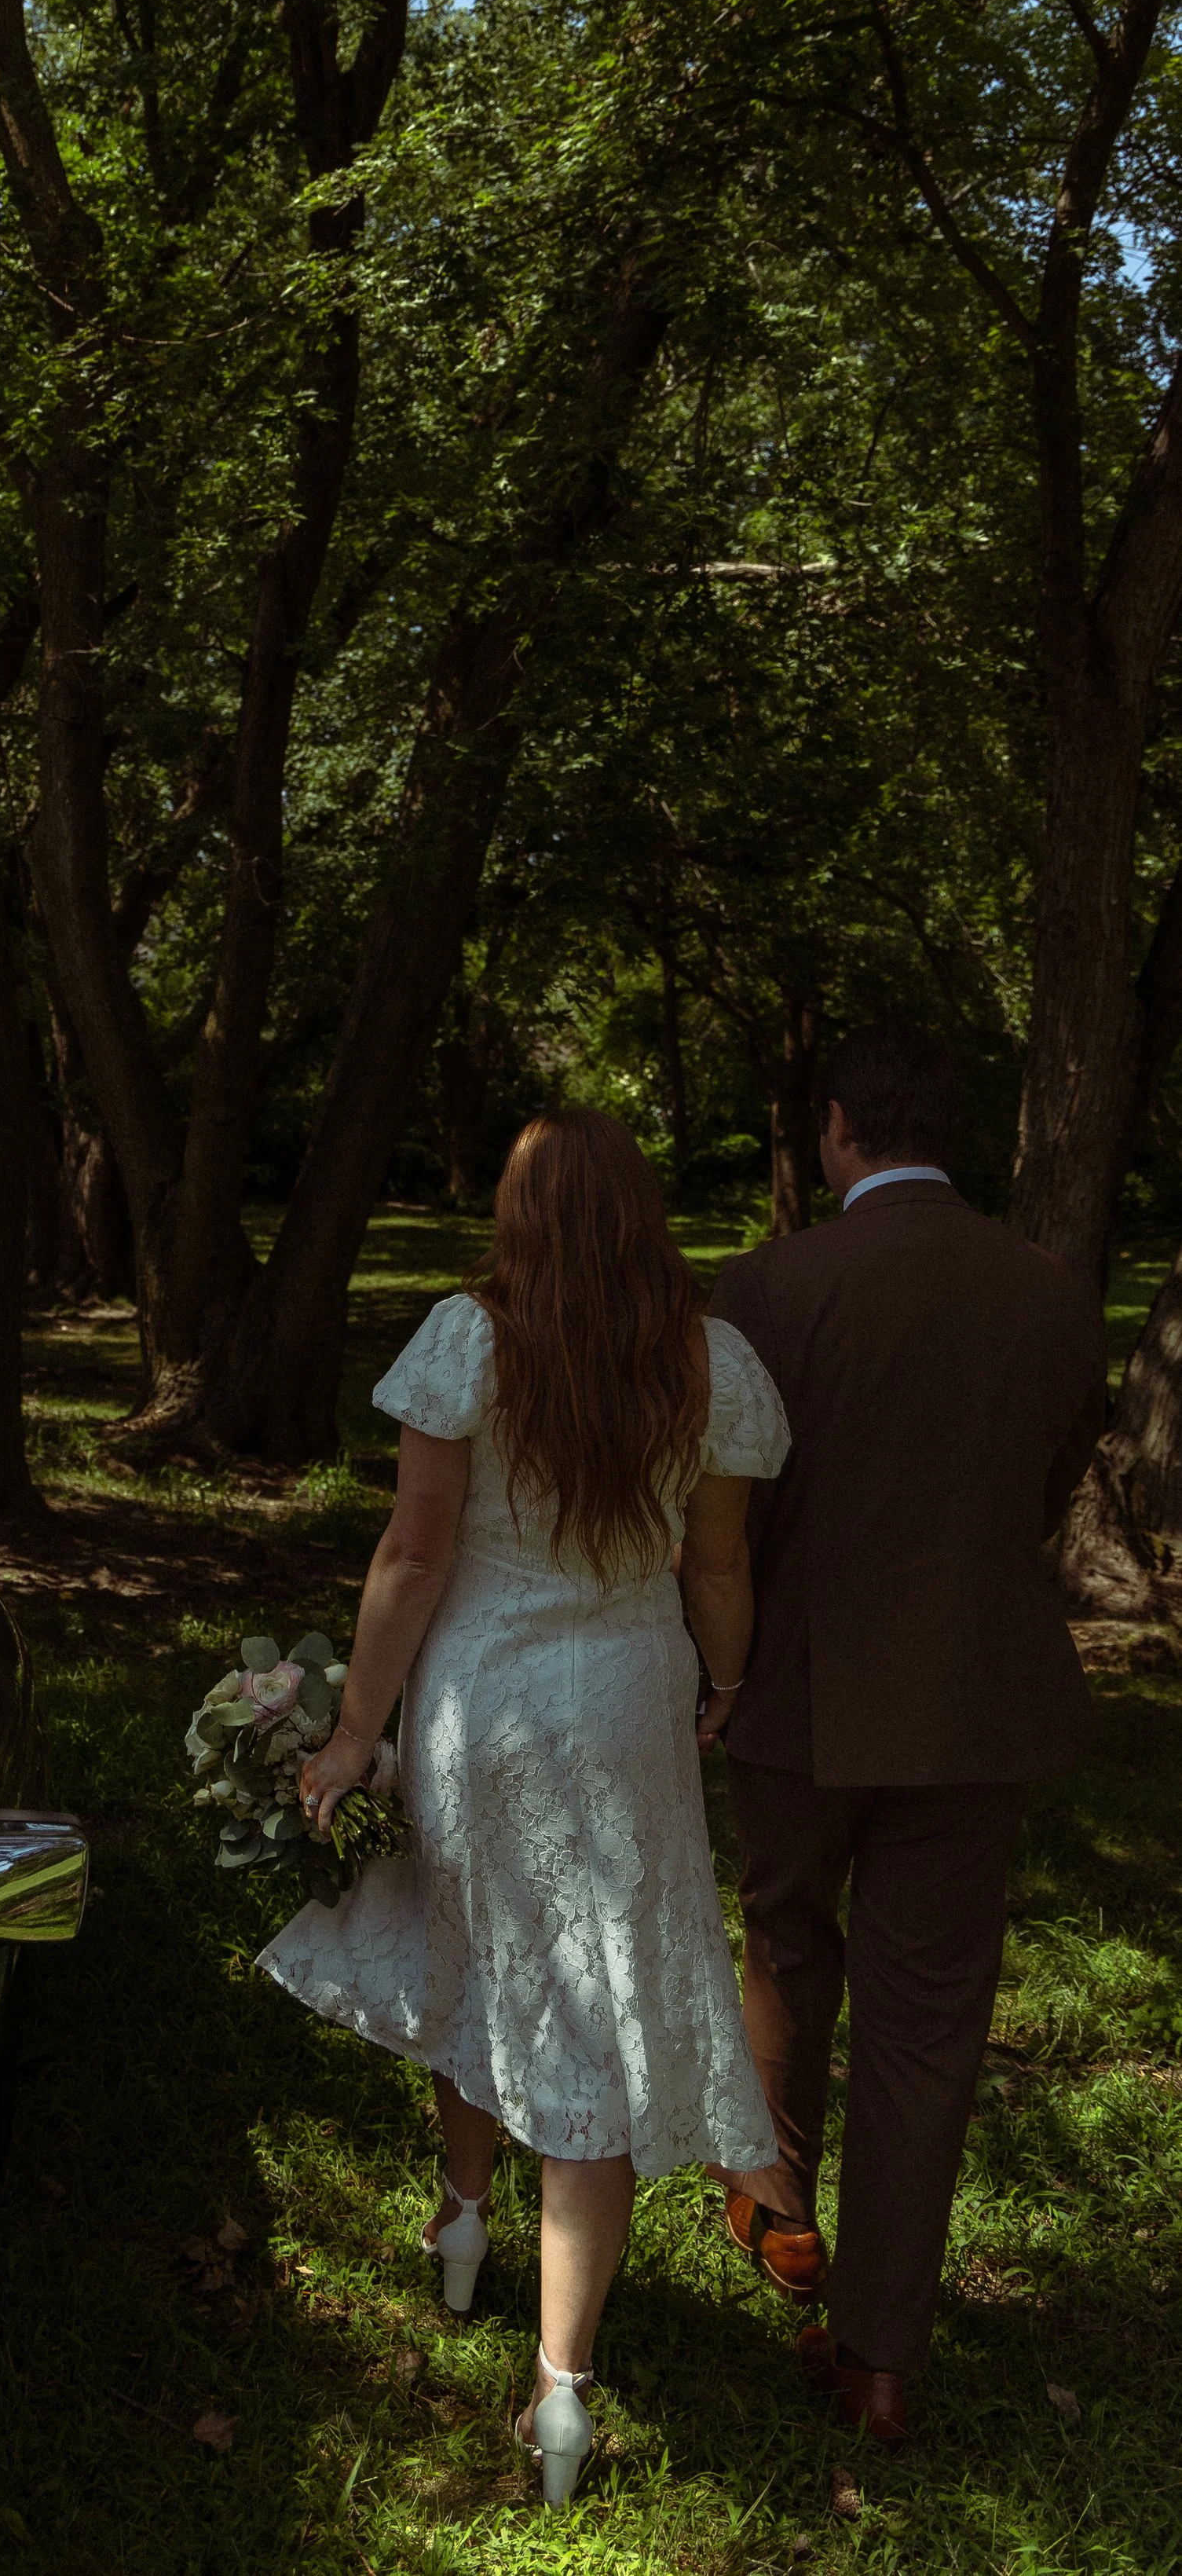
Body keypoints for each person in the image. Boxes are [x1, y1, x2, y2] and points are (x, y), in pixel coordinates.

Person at [262, 1107, 789, 2507]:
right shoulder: (709, 1361)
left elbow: (414, 1554)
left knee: (475, 1953)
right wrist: (729, 1678)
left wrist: (356, 1730)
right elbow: (717, 1565)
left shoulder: (471, 1342)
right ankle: (562, 2386)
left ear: (521, 1216)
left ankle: (463, 2218)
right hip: (624, 1697)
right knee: (593, 2019)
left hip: (482, 1695)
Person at [706, 1021, 1106, 2446]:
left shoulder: (769, 1285)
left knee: (783, 1935)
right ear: (951, 1132)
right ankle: (880, 2359)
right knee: (928, 2020)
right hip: (972, 1700)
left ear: (836, 1128)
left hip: (797, 1684)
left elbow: (728, 1511)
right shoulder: (1052, 1290)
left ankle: (777, 2205)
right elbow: (1052, 1479)